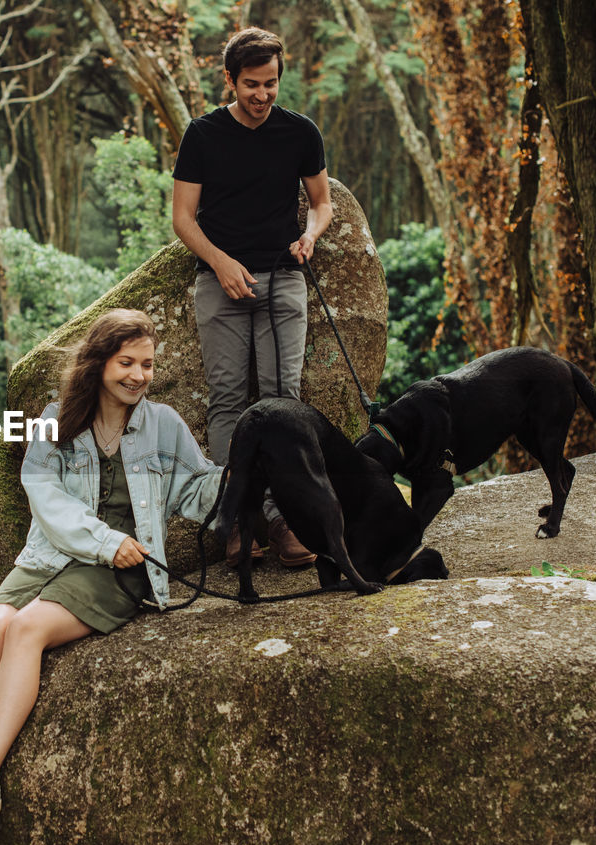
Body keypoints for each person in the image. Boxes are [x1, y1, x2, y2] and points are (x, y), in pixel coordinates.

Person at [0, 308, 223, 831]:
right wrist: (102, 539)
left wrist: (252, 475)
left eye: (146, 364)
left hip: (122, 568)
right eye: (126, 362)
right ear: (99, 362)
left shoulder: (163, 425)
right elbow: (45, 498)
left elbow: (197, 490)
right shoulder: (56, 422)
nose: (138, 375)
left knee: (26, 628)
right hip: (51, 555)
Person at [171, 26, 333, 569]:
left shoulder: (300, 132)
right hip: (221, 284)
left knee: (283, 399)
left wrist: (310, 235)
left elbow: (321, 203)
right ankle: (237, 520)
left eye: (270, 84)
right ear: (229, 80)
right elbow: (182, 219)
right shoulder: (203, 135)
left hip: (284, 279)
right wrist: (220, 263)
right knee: (229, 401)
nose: (262, 95)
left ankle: (286, 517)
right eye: (250, 85)